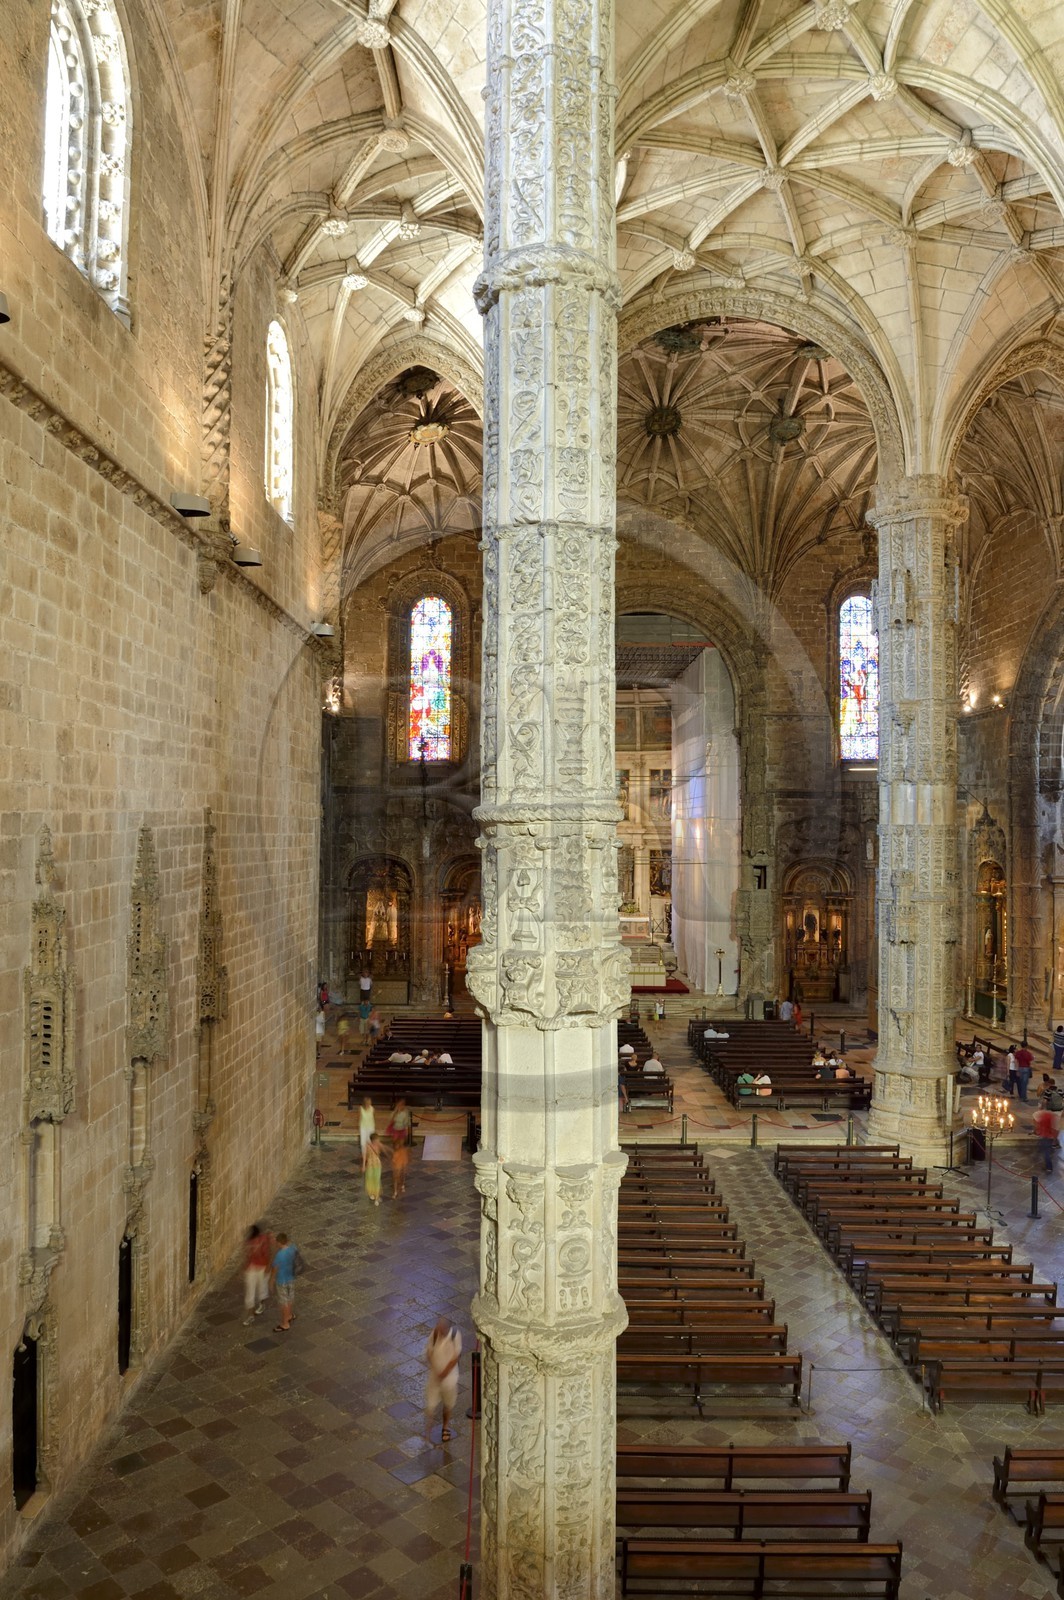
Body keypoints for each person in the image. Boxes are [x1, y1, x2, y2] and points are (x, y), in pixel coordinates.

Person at [423, 1319, 462, 1443]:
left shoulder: (455, 1336)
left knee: (448, 1405)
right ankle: (428, 1429)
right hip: (434, 1378)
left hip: (449, 1379)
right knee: (431, 1404)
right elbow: (429, 1353)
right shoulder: (434, 1334)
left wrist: (444, 1373)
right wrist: (435, 1369)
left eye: (442, 1329)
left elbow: (455, 1358)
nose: (439, 1331)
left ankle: (445, 1427)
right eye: (438, 1329)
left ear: (447, 1329)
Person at [242, 1224, 275, 1325]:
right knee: (250, 1292)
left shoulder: (263, 1240)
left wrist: (268, 1267)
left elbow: (269, 1253)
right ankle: (250, 1315)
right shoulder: (249, 1242)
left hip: (263, 1267)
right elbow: (247, 1255)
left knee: (262, 1287)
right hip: (252, 1268)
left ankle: (261, 1304)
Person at [270, 1232, 302, 1331]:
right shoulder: (292, 1248)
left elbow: (275, 1268)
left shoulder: (279, 1255)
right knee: (290, 1298)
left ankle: (285, 1323)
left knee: (284, 1302)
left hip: (281, 1281)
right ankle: (289, 1315)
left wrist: (271, 1280)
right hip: (291, 1278)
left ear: (279, 1242)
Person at [1034, 1102, 1059, 1173]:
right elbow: (1054, 1128)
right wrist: (1055, 1138)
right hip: (1049, 1136)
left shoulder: (1043, 1116)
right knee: (1045, 1149)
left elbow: (1039, 1125)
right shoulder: (1051, 1115)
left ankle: (1049, 1167)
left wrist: (1037, 1131)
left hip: (1045, 1136)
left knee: (1046, 1153)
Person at [364, 1133, 385, 1205]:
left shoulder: (378, 1145)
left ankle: (377, 1197)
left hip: (377, 1165)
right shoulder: (367, 1146)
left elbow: (382, 1150)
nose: (378, 1140)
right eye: (377, 1139)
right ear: (373, 1140)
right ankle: (372, 1193)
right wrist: (363, 1165)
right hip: (370, 1165)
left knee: (377, 1180)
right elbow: (365, 1155)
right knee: (370, 1179)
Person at [358, 1095, 375, 1171]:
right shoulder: (361, 1109)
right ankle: (364, 1158)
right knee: (363, 1143)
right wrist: (359, 1127)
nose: (369, 1104)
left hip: (370, 1127)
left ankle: (370, 1156)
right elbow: (359, 1118)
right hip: (363, 1128)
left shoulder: (372, 1109)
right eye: (368, 1102)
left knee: (370, 1142)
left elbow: (373, 1118)